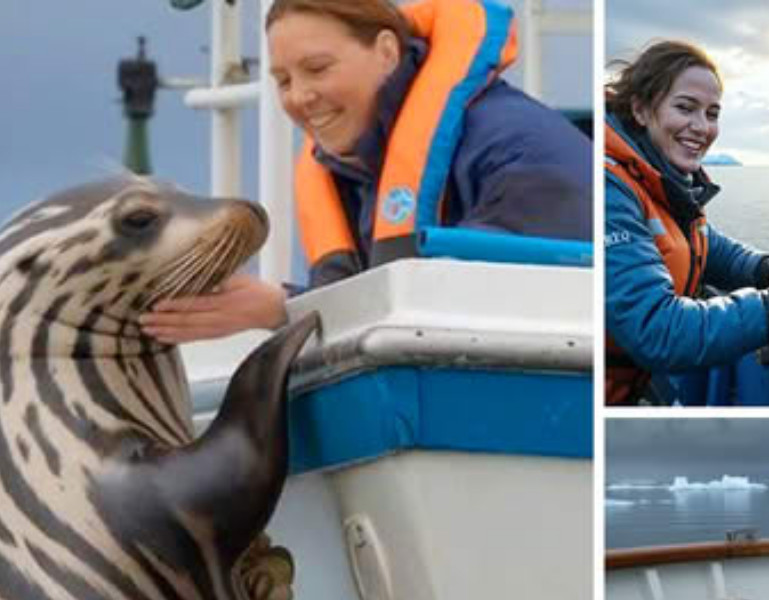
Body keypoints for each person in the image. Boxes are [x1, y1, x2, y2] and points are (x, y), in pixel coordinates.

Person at [141, 0, 593, 345]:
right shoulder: (354, 173)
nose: (299, 96)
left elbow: (526, 296)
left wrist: (288, 309)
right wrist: (273, 308)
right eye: (282, 80)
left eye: (317, 69)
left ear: (386, 52)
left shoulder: (517, 141)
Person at [604, 40, 769, 406]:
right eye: (685, 108)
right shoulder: (610, 189)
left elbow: (699, 243)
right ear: (640, 109)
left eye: (712, 113)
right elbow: (657, 330)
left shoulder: (657, 179)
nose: (701, 127)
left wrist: (767, 271)